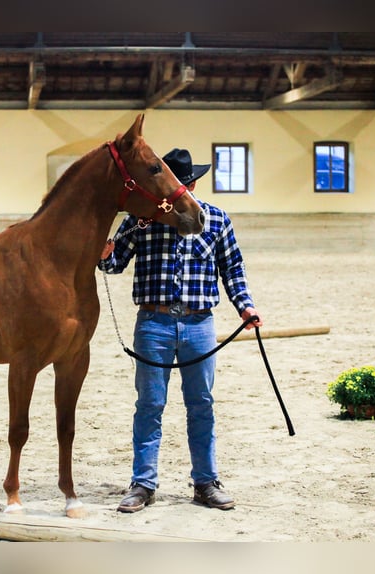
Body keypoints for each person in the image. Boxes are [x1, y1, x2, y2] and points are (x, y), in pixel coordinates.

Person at [98, 147, 262, 512]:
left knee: (201, 404)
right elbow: (113, 266)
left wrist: (245, 305)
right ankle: (143, 483)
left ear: (193, 183)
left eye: (185, 184)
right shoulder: (141, 221)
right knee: (150, 405)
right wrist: (103, 252)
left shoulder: (216, 220)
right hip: (153, 324)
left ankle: (205, 482)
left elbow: (232, 269)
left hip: (199, 323)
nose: (178, 191)